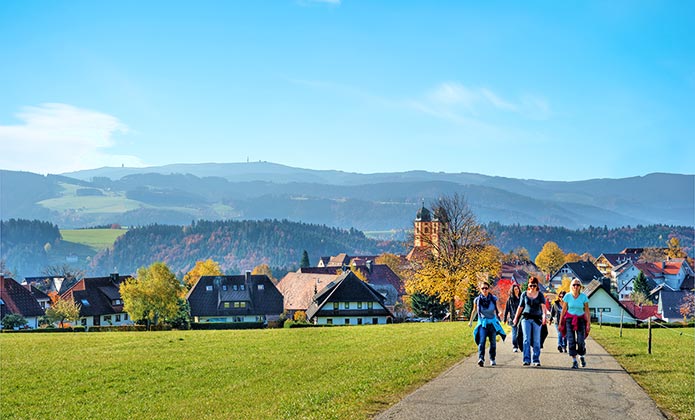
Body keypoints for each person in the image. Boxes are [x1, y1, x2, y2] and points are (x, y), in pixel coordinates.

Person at [468, 281, 505, 367]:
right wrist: (470, 321)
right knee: (482, 341)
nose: (484, 290)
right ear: (480, 290)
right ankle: (481, 358)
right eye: (482, 288)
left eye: (486, 288)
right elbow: (474, 311)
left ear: (489, 289)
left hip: (492, 323)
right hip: (483, 323)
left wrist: (500, 312)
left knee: (493, 342)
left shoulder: (493, 298)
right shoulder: (477, 300)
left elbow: (499, 308)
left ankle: (492, 358)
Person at [512, 277, 546, 367]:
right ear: (528, 285)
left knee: (536, 340)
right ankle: (526, 359)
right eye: (530, 285)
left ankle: (536, 359)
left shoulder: (540, 295)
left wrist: (544, 317)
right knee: (526, 339)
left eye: (534, 285)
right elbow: (520, 307)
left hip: (536, 319)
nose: (532, 287)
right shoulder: (524, 294)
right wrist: (516, 318)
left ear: (537, 286)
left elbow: (543, 307)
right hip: (525, 318)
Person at [559, 278, 591, 369]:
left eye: (578, 285)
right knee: (571, 340)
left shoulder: (583, 297)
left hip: (580, 320)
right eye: (574, 285)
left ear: (580, 287)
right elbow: (564, 310)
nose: (576, 287)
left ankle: (581, 356)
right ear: (571, 286)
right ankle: (574, 361)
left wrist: (588, 323)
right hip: (569, 320)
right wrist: (561, 322)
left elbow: (587, 311)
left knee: (581, 340)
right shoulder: (567, 296)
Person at [503, 283, 522, 352]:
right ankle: (515, 346)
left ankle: (521, 345)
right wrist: (505, 319)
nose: (517, 290)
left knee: (521, 333)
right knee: (514, 333)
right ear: (513, 291)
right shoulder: (510, 299)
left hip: (521, 318)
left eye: (517, 289)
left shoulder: (522, 298)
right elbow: (506, 309)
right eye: (515, 289)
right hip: (513, 318)